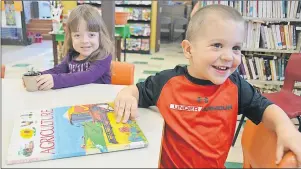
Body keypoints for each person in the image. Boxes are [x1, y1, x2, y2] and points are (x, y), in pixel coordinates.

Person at [114, 4, 301, 168]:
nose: (229, 56)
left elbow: (265, 108)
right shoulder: (166, 82)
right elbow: (137, 90)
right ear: (188, 49)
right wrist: (127, 93)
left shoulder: (236, 87)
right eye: (217, 45)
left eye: (236, 48)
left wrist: (286, 128)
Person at [31, 4, 114, 91]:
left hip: (98, 101)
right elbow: (58, 70)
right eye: (77, 35)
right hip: (75, 100)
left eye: (91, 35)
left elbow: (88, 76)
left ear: (100, 36)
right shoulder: (72, 55)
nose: (85, 41)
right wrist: (38, 76)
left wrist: (55, 80)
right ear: (70, 37)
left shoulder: (104, 56)